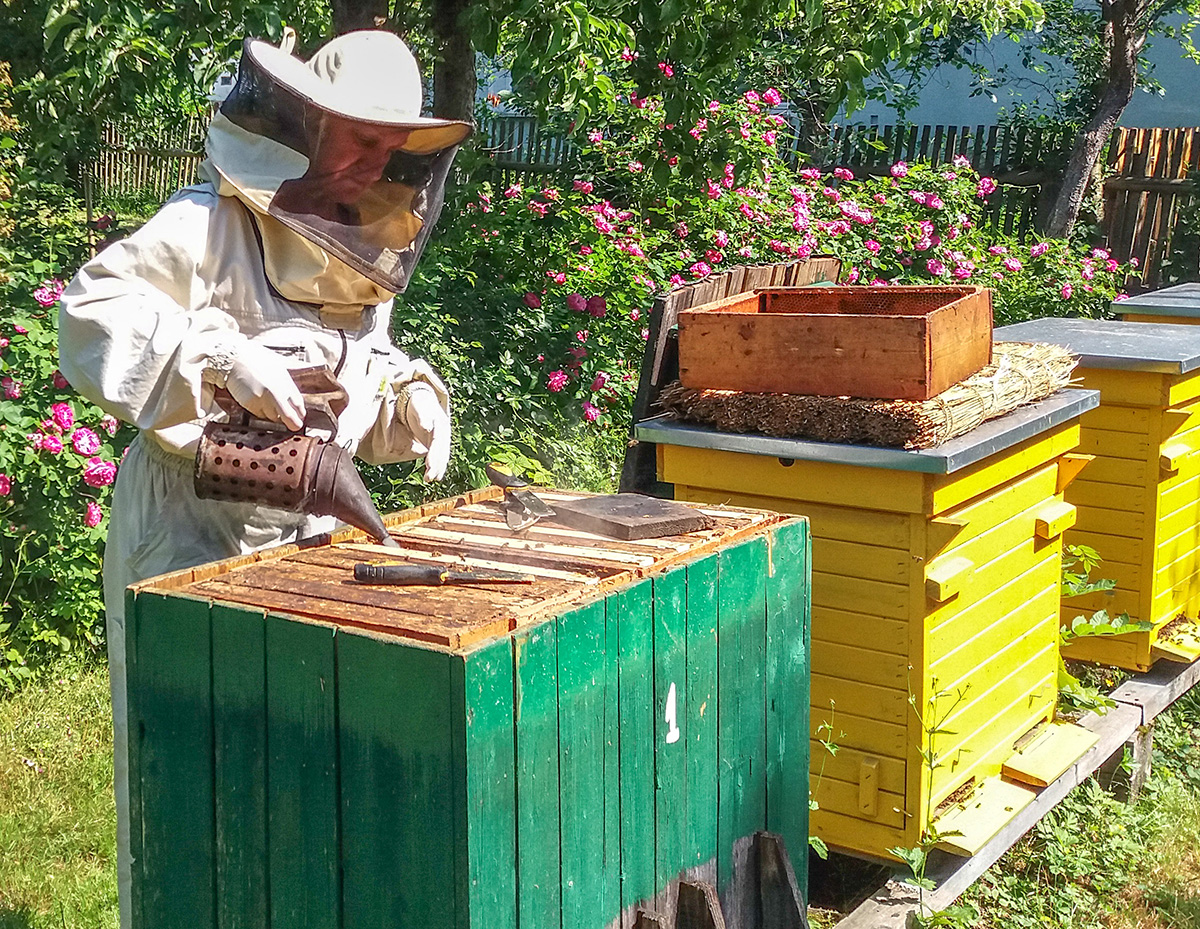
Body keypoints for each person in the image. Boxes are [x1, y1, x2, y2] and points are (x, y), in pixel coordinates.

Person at [57, 30, 472, 928]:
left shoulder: (364, 244)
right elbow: (90, 314)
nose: (371, 164)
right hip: (186, 526)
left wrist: (408, 398)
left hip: (302, 536)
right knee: (181, 758)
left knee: (287, 762)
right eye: (356, 138)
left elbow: (366, 364)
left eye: (388, 147)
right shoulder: (206, 222)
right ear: (307, 122)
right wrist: (213, 355)